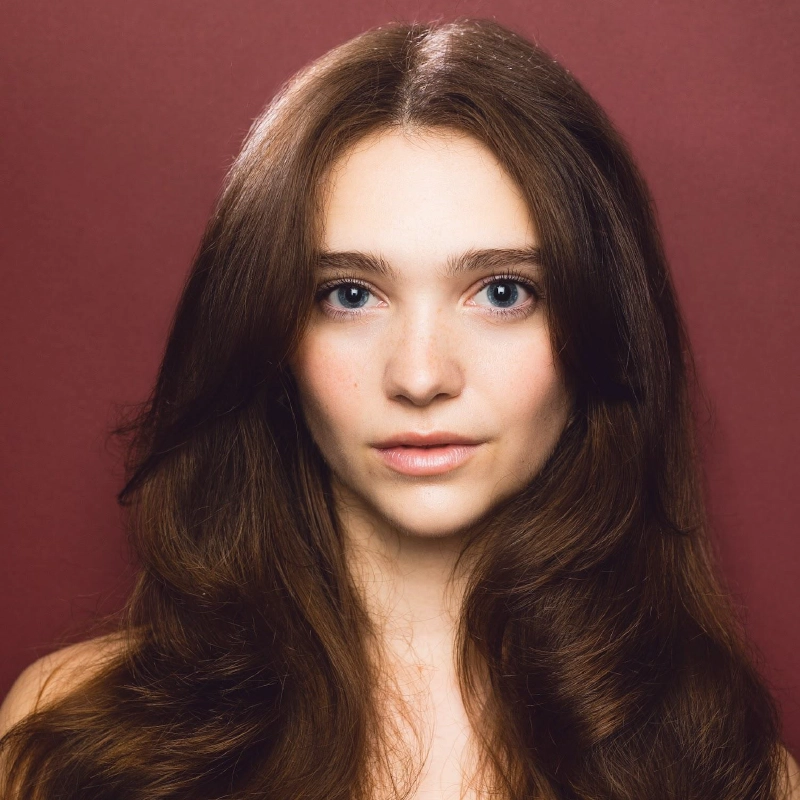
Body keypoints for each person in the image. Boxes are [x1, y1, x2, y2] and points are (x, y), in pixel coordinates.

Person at [0, 17, 797, 800]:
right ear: (269, 336)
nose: (421, 375)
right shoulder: (72, 738)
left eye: (502, 292)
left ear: (600, 329)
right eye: (349, 295)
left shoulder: (731, 778)